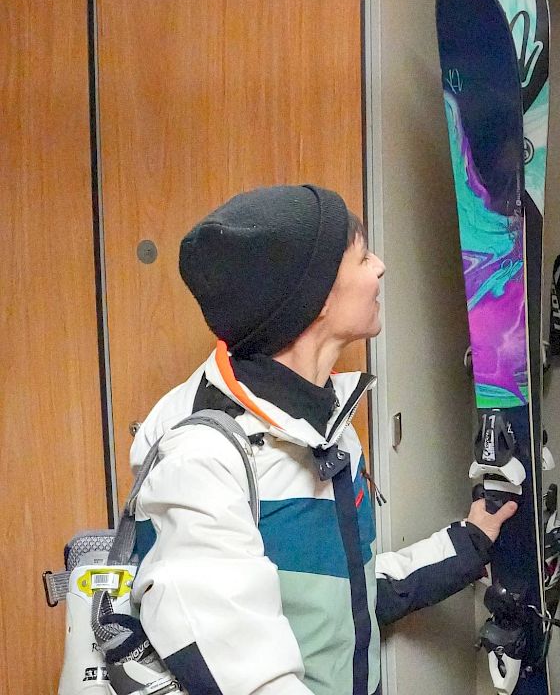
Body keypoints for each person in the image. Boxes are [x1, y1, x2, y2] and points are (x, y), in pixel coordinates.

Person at [129, 184, 515, 695]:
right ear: (314, 300)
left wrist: (469, 542)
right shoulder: (201, 459)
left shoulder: (325, 421)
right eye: (362, 257)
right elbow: (244, 676)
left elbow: (349, 592)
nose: (380, 268)